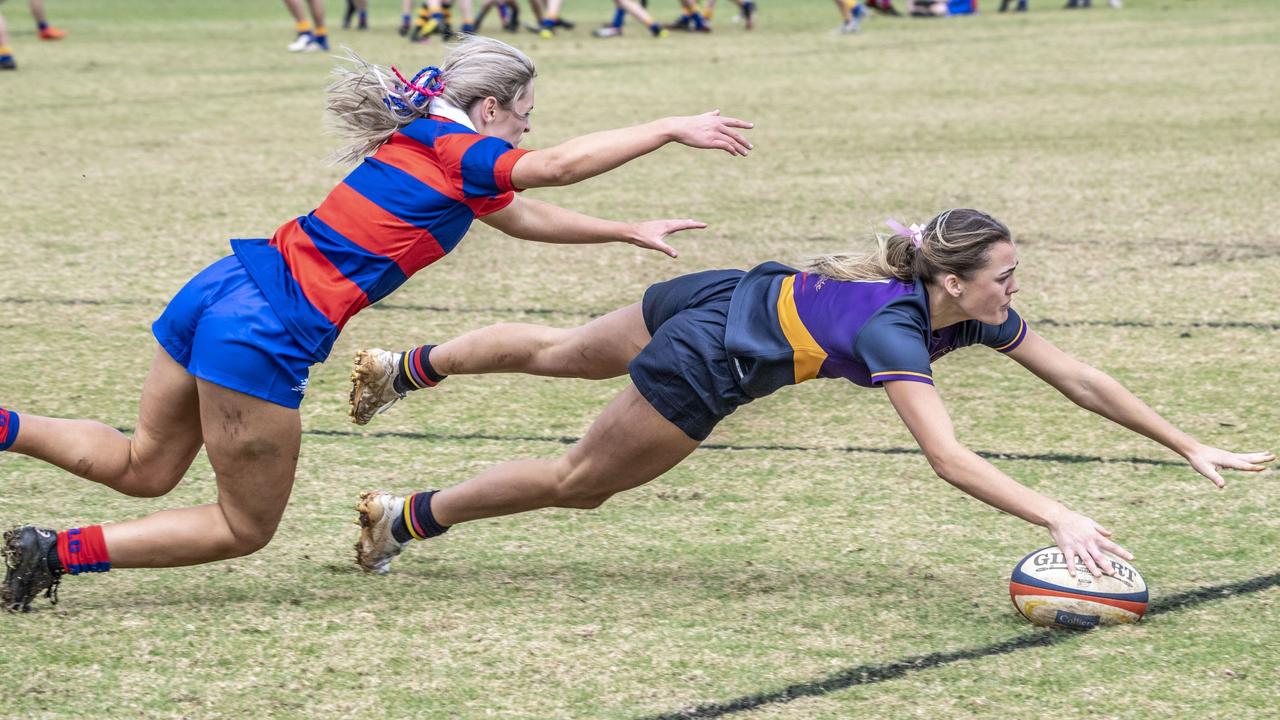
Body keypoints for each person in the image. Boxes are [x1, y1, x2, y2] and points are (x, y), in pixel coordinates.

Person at [0, 37, 754, 613]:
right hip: (265, 331)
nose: (527, 131)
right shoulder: (462, 148)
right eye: (524, 115)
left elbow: (520, 212)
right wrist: (667, 126)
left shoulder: (433, 142)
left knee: (146, 468)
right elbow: (551, 170)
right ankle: (52, 554)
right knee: (242, 527)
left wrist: (621, 230)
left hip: (224, 286)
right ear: (490, 109)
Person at [348, 208, 1274, 577]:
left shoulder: (962, 311)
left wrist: (1187, 442)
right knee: (580, 481)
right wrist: (1058, 516)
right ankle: (401, 517)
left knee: (559, 352)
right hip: (713, 352)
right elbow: (947, 458)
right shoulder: (895, 329)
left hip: (729, 289)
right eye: (1006, 275)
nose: (1015, 290)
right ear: (953, 283)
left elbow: (1080, 379)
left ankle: (406, 367)